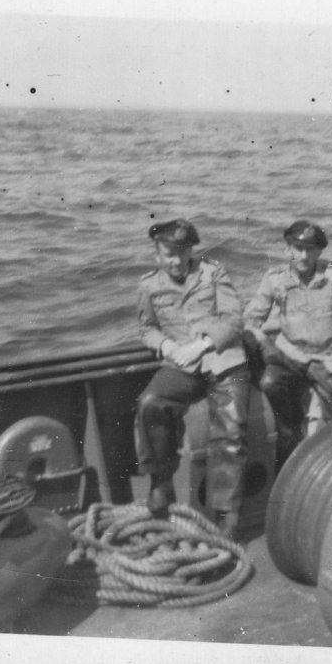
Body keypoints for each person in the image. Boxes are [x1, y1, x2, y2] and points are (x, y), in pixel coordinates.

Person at [135, 218, 250, 538]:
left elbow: (234, 321)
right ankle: (161, 483)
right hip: (182, 367)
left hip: (224, 361)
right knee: (151, 403)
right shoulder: (148, 286)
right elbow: (147, 328)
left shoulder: (213, 274)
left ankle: (226, 514)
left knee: (230, 429)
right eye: (168, 255)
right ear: (157, 255)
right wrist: (167, 346)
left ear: (190, 252)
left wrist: (201, 345)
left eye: (182, 253)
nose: (175, 261)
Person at [244, 220, 332, 467]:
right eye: (298, 249)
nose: (303, 256)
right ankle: (290, 441)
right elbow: (249, 321)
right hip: (290, 356)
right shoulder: (275, 279)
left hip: (329, 359)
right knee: (269, 383)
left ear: (319, 252)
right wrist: (264, 342)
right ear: (287, 249)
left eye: (310, 250)